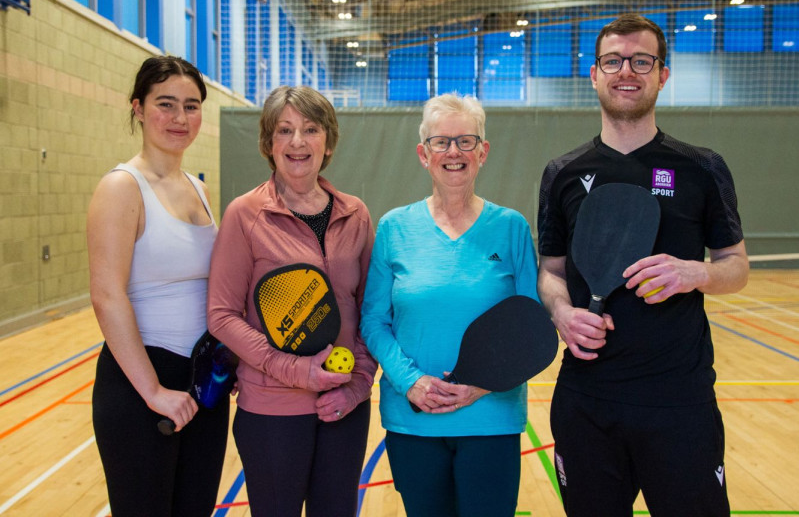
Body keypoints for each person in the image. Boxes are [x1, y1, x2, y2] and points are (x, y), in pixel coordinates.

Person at [537, 13, 749, 517]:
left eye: (640, 60)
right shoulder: (563, 173)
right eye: (612, 61)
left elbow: (736, 265)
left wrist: (697, 273)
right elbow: (551, 270)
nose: (625, 71)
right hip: (587, 400)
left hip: (680, 400)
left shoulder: (702, 166)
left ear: (662, 74)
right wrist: (563, 314)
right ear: (594, 74)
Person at [360, 93, 539, 517]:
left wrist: (483, 383)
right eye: (441, 142)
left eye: (465, 141)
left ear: (483, 151)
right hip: (413, 416)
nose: (453, 152)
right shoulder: (393, 227)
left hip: (491, 418)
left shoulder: (512, 228)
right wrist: (411, 382)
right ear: (424, 154)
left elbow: (530, 326)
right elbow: (373, 320)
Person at [206, 85, 376, 517]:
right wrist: (296, 370)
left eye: (310, 129)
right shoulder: (244, 214)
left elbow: (371, 307)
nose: (298, 142)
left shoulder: (355, 214)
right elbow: (221, 315)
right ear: (268, 143)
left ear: (328, 141)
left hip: (343, 406)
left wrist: (357, 385)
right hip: (271, 409)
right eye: (284, 130)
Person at [88, 56, 228, 516]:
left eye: (191, 106)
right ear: (138, 109)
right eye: (165, 104)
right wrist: (152, 391)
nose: (179, 118)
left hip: (202, 383)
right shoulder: (121, 187)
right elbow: (107, 295)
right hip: (141, 384)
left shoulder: (199, 188)